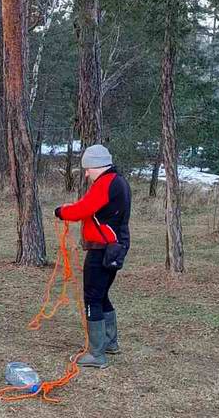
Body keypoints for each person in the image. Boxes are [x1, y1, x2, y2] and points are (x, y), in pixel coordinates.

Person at [54, 144, 131, 369]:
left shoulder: (106, 183)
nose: (86, 174)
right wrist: (75, 207)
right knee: (102, 295)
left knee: (93, 298)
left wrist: (61, 211)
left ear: (97, 165)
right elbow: (90, 208)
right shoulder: (118, 181)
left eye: (87, 169)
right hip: (113, 247)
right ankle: (109, 343)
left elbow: (82, 210)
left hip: (103, 249)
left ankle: (96, 354)